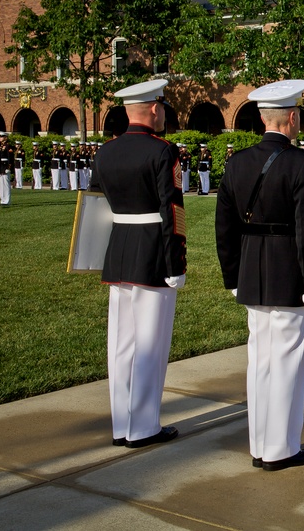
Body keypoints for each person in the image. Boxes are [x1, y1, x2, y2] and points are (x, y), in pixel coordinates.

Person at [216, 79, 304, 471]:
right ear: (292, 118)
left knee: (259, 362)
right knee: (287, 364)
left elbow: (224, 226)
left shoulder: (236, 162)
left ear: (263, 118)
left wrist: (232, 275)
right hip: (289, 273)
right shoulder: (303, 162)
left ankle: (260, 443)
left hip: (251, 272)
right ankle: (281, 449)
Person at [89, 78, 186, 449]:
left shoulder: (106, 151)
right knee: (150, 343)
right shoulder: (163, 151)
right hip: (152, 253)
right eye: (162, 107)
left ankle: (121, 423)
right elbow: (171, 210)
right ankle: (143, 426)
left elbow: (95, 206)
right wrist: (176, 262)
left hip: (118, 249)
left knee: (122, 344)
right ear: (153, 109)